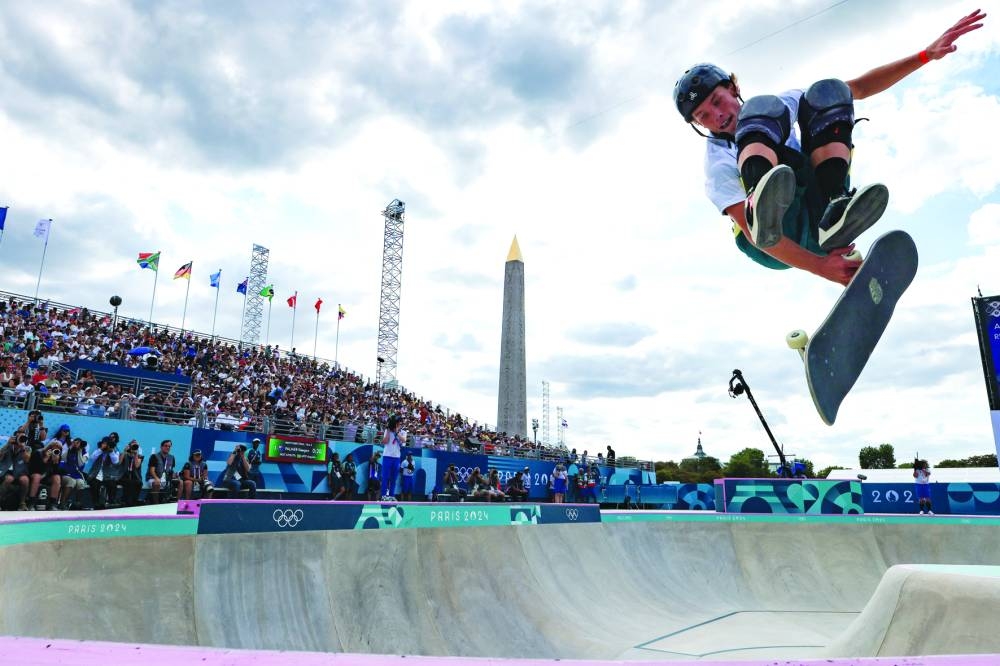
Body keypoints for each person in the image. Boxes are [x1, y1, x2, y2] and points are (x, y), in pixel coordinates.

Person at [674, 10, 986, 285]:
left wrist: (925, 55)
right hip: (770, 240)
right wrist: (821, 267)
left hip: (813, 212)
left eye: (717, 101)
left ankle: (835, 207)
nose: (717, 116)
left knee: (826, 93)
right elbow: (757, 238)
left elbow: (858, 88)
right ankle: (762, 202)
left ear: (733, 88)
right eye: (703, 116)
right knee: (759, 119)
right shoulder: (717, 167)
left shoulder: (779, 106)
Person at [0, 433, 32, 510]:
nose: (22, 440)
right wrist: (7, 444)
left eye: (23, 438)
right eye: (20, 438)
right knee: (9, 479)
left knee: (25, 479)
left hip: (19, 472)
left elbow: (27, 459)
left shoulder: (27, 448)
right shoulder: (8, 446)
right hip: (6, 471)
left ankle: (22, 503)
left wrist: (23, 448)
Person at [87, 437, 120, 509]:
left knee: (112, 484)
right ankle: (96, 503)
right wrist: (101, 449)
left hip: (107, 475)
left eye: (107, 444)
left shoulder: (114, 452)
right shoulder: (98, 451)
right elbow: (92, 458)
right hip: (95, 474)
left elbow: (115, 461)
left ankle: (111, 502)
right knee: (94, 484)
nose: (106, 445)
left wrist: (111, 451)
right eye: (104, 443)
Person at [146, 439, 178, 504]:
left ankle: (176, 503)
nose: (168, 447)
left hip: (166, 479)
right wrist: (156, 478)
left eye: (169, 446)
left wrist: (175, 475)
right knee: (156, 483)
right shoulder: (154, 456)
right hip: (153, 478)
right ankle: (156, 504)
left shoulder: (172, 457)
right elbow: (152, 471)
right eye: (166, 446)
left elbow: (171, 470)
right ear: (161, 447)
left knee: (180, 482)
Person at [380, 415, 403, 501]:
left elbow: (404, 440)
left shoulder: (403, 432)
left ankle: (391, 495)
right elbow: (384, 441)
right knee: (385, 477)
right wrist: (388, 431)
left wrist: (396, 432)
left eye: (399, 423)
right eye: (397, 423)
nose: (398, 424)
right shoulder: (387, 430)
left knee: (394, 478)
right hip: (387, 456)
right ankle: (383, 495)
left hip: (396, 457)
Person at [118, 439, 144, 506]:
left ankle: (134, 501)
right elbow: (119, 463)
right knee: (129, 482)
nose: (134, 447)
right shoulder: (124, 454)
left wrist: (135, 454)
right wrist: (124, 451)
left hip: (135, 476)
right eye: (133, 445)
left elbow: (137, 465)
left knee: (139, 483)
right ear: (129, 446)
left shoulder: (139, 456)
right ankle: (127, 501)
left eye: (136, 446)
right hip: (124, 476)